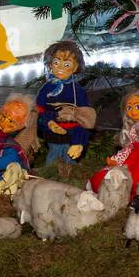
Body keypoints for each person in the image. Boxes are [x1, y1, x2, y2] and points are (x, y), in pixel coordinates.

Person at [36, 40, 97, 176]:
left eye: (67, 64)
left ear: (75, 68)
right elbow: (39, 112)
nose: (60, 68)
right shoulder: (46, 90)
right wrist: (49, 122)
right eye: (56, 62)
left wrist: (79, 142)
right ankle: (50, 177)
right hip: (54, 136)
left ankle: (69, 178)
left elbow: (85, 119)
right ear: (50, 64)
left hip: (73, 135)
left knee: (70, 162)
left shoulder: (78, 92)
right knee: (53, 159)